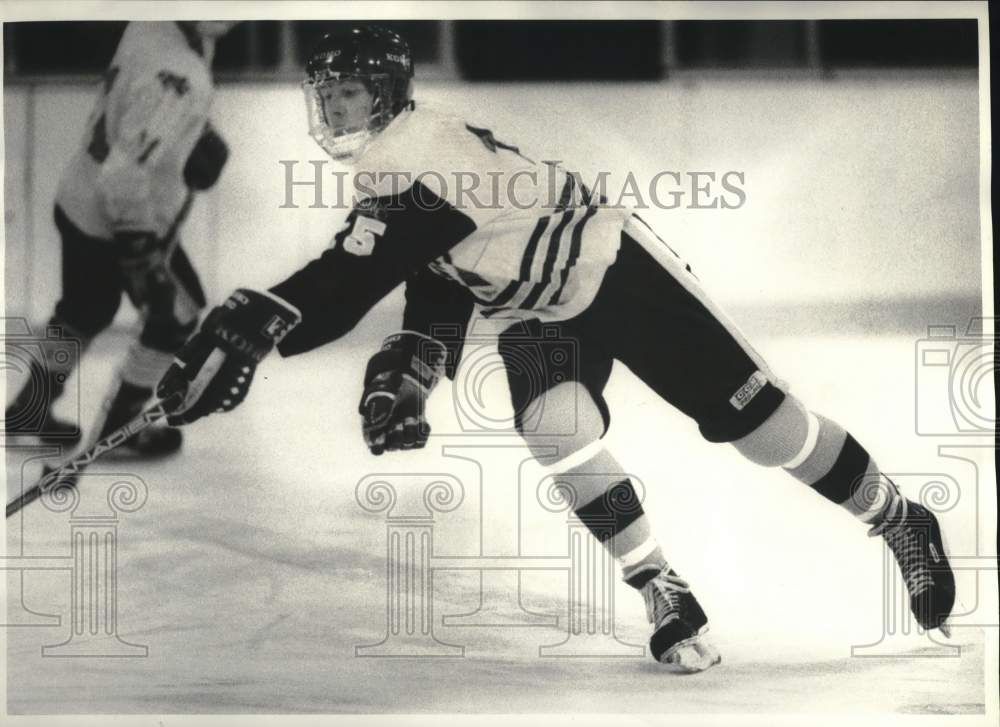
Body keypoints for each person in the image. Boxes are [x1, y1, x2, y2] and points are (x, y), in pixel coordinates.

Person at [156, 26, 956, 672]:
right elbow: (435, 281)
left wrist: (258, 320)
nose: (333, 112)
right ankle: (661, 586)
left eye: (348, 95)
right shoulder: (387, 166)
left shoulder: (424, 152)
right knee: (555, 431)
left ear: (390, 95)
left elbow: (352, 278)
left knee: (768, 433)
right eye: (324, 98)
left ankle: (898, 518)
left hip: (613, 271)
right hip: (532, 313)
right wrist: (406, 380)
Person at [5, 21, 235, 456]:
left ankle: (28, 410)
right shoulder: (182, 70)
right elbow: (125, 174)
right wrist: (140, 249)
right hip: (119, 215)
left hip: (78, 198)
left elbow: (137, 106)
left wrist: (188, 136)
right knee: (176, 319)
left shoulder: (150, 25)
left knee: (84, 310)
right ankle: (121, 429)